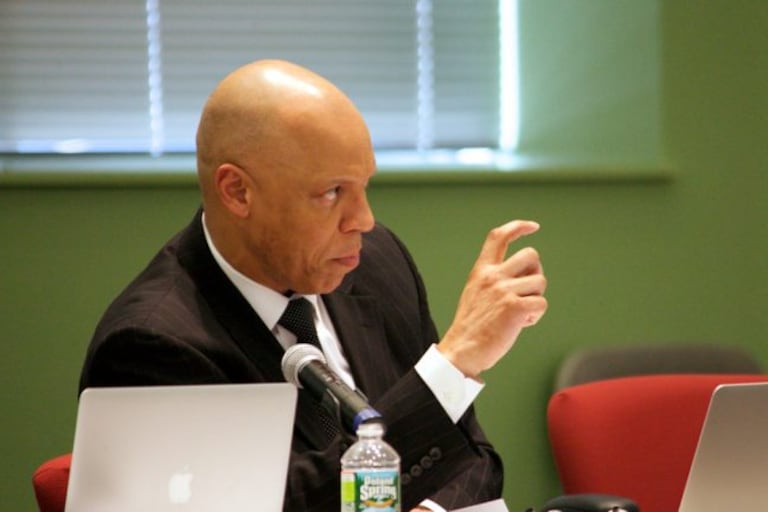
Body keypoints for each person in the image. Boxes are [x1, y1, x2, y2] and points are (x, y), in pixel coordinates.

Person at [79, 59, 547, 511]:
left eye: (365, 186)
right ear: (238, 191)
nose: (364, 220)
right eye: (331, 193)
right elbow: (283, 505)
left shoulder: (375, 265)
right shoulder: (151, 347)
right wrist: (455, 363)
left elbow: (467, 454)